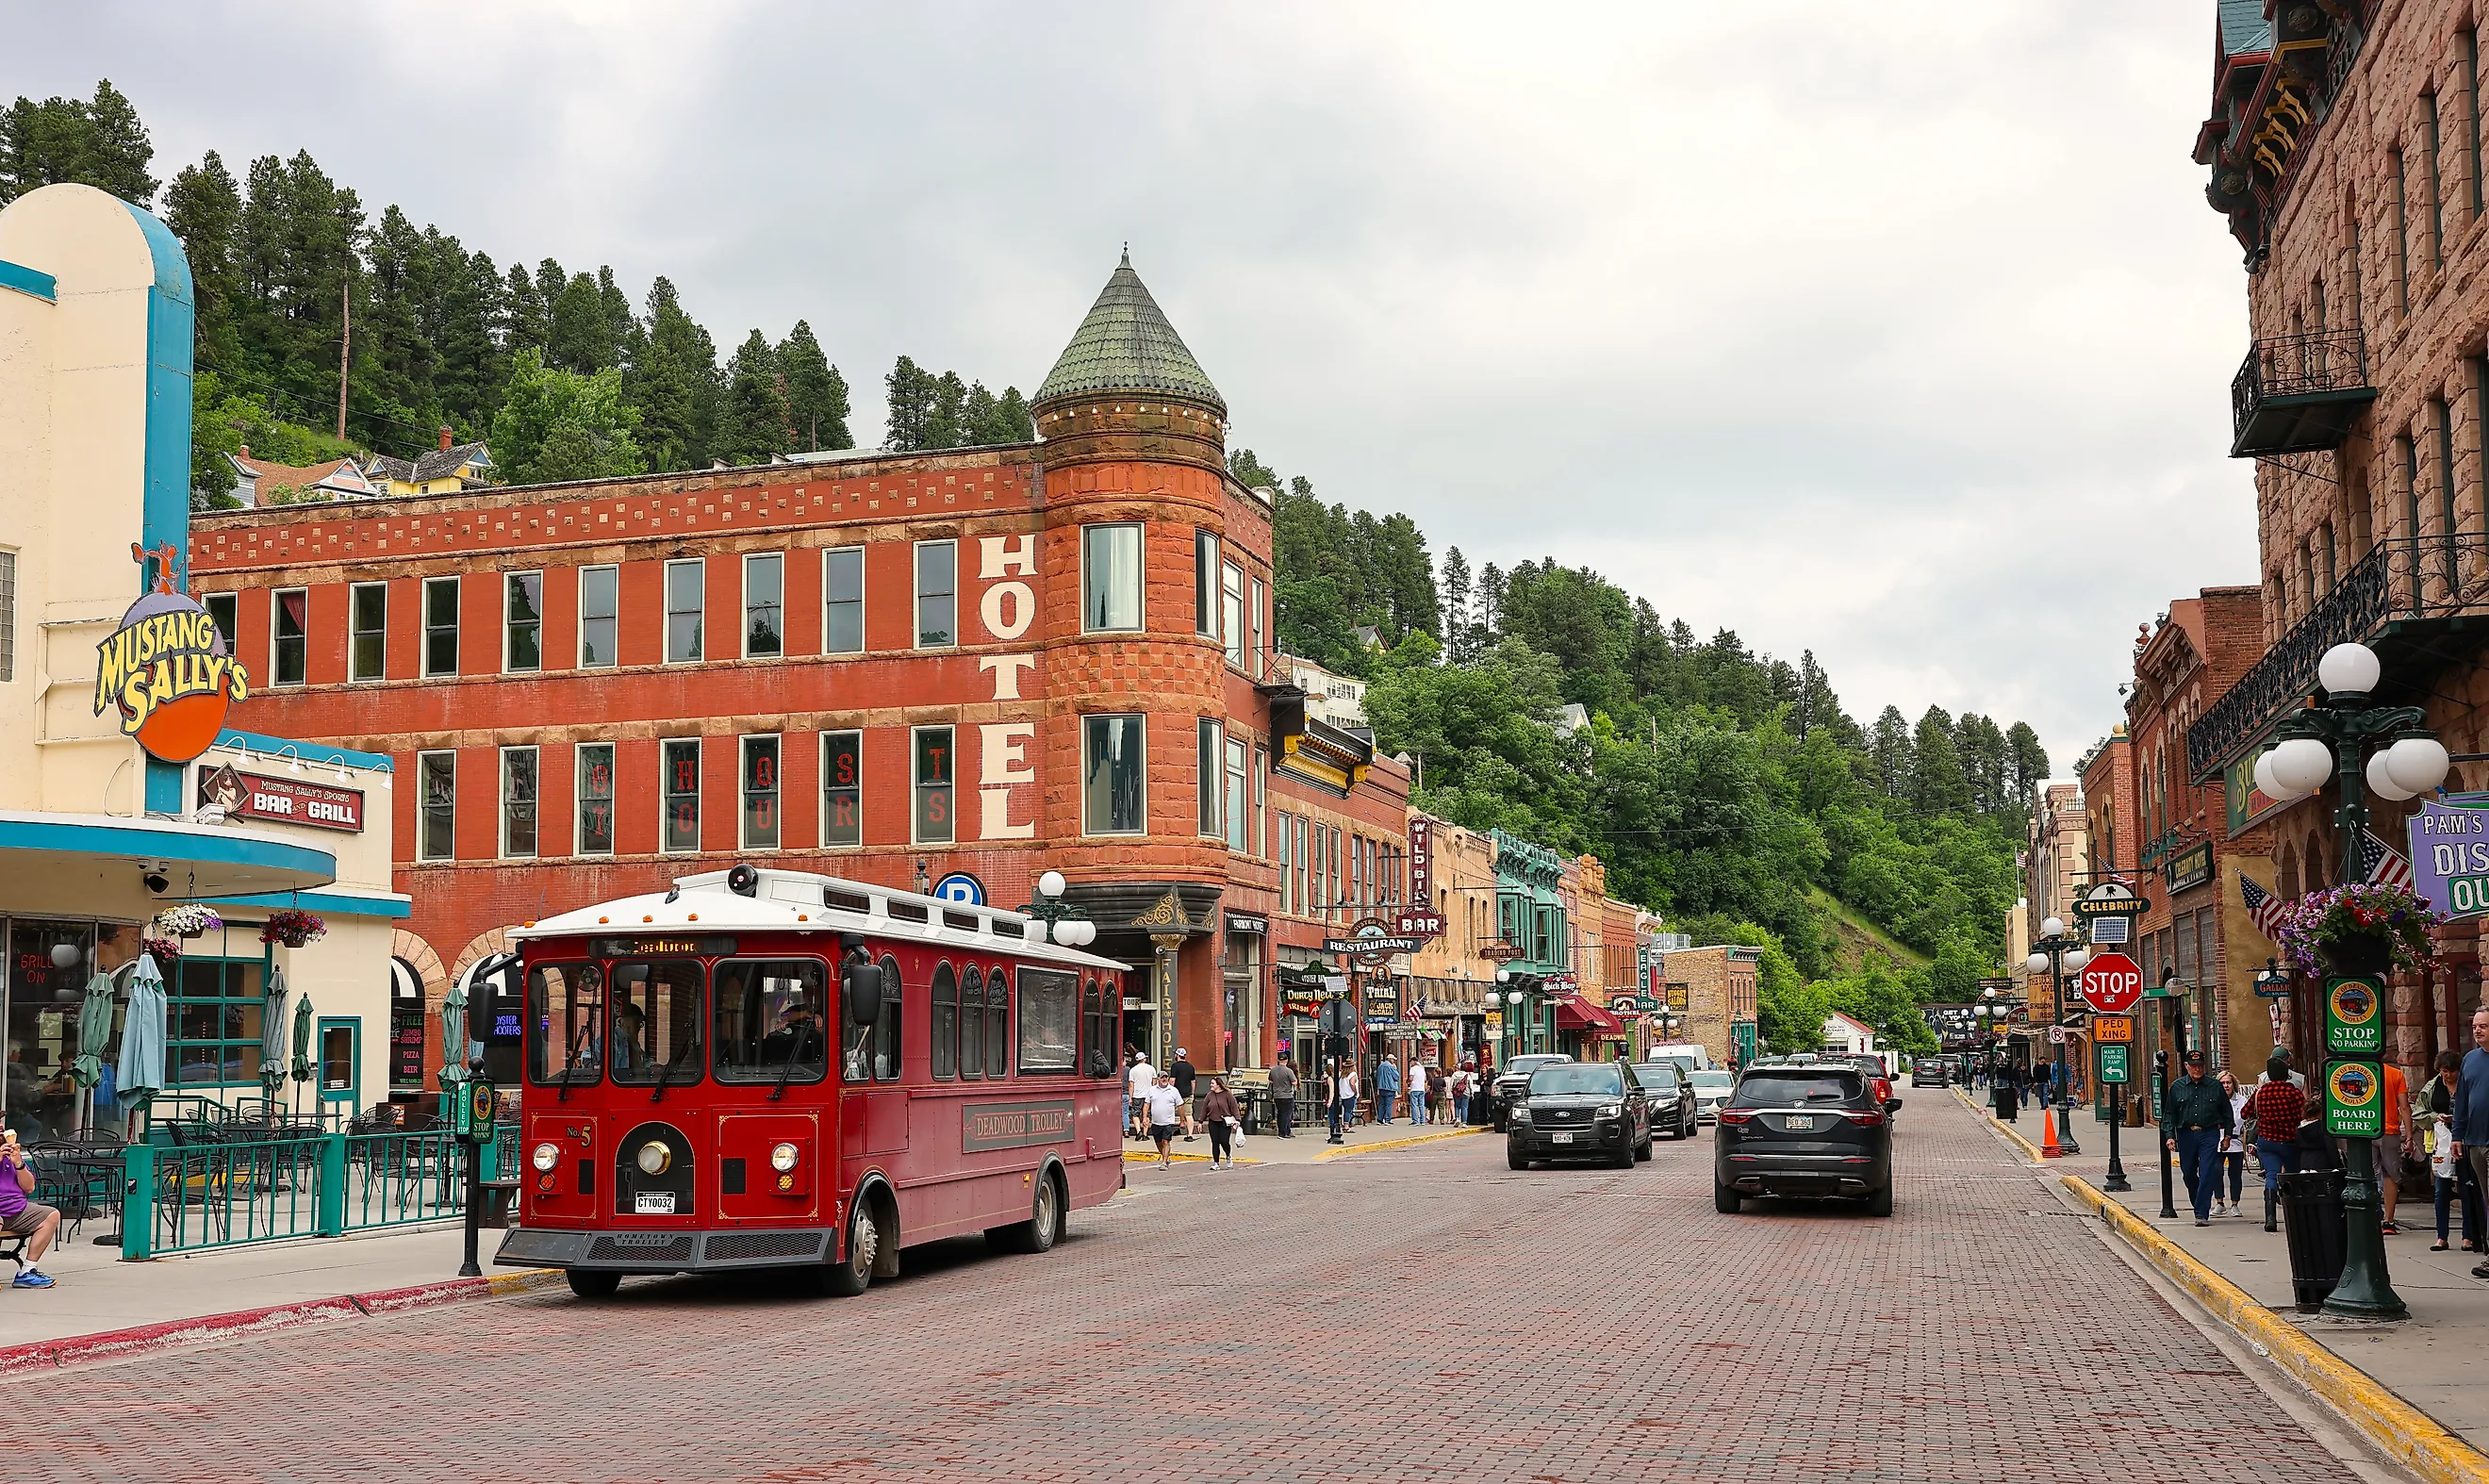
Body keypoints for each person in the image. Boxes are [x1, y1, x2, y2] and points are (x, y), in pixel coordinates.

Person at [2161, 1049, 2234, 1226]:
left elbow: (2227, 1113)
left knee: (2208, 1171)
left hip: (2209, 1133)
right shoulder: (2177, 1087)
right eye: (2193, 1066)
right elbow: (2169, 1114)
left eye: (2200, 1066)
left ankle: (2201, 1213)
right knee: (2188, 1173)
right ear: (2186, 1066)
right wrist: (2170, 1136)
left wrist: (2228, 1136)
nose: (2197, 1069)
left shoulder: (2214, 1086)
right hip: (2186, 1134)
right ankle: (2198, 1202)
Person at [2426, 1051, 2483, 1252]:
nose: (2447, 1076)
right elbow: (2420, 1111)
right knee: (2441, 1190)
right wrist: (2435, 1117)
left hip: (2465, 1140)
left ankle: (2468, 1236)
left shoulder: (2467, 1082)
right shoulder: (2434, 1086)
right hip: (2442, 1143)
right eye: (2444, 1071)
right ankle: (2442, 1236)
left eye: (2451, 1072)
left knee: (2467, 1188)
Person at [2246, 1056, 2307, 1232]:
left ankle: (2270, 1218)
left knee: (2271, 1175)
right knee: (2293, 1176)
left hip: (2267, 1140)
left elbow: (2245, 1112)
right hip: (2290, 1140)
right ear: (2286, 1074)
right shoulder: (2294, 1093)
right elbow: (2303, 1114)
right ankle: (2296, 1217)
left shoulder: (2260, 1093)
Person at [2452, 1006, 2489, 1278]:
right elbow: (2462, 1101)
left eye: (2484, 1026)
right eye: (2475, 1026)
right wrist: (2457, 1134)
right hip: (2475, 1140)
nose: (2478, 1030)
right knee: (2486, 1198)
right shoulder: (2470, 1060)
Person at [0, 1127, 59, 1289]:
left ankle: (27, 1272)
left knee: (51, 1215)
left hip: (16, 1210)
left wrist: (18, 1163)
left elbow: (29, 1188)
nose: (1, 1128)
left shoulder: (10, 1155)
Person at [2375, 1058, 2411, 1234]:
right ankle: (2388, 1220)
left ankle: (2372, 1215)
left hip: (2365, 1130)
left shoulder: (2360, 1072)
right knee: (2390, 1174)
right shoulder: (2395, 1074)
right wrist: (2409, 1136)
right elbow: (2404, 1106)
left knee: (2368, 1174)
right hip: (2389, 1130)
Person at [2215, 1070, 2249, 1219]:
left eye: (2228, 1082)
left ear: (2233, 1084)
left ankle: (2235, 1204)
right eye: (2222, 1083)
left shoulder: (2242, 1101)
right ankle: (2219, 1202)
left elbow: (2247, 1120)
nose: (2226, 1086)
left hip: (2236, 1141)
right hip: (2217, 1141)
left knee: (2235, 1174)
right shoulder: (2214, 1100)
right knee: (2216, 1171)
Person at [1201, 1077, 1242, 1170]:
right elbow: (1204, 1108)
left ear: (1218, 1084)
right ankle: (1216, 1163)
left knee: (1224, 1141)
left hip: (1225, 1122)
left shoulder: (1227, 1094)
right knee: (1215, 1142)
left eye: (1213, 1083)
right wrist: (1201, 1121)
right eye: (1211, 1083)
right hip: (1213, 1121)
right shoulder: (1209, 1095)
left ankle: (1228, 1156)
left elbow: (1234, 1107)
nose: (1211, 1085)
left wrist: (1237, 1119)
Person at [1145, 1073, 1184, 1169]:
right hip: (1156, 1122)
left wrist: (1182, 1120)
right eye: (1162, 1077)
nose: (1164, 1079)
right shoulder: (1152, 1090)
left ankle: (1164, 1162)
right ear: (1158, 1078)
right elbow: (1146, 1104)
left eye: (1166, 1077)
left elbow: (1180, 1105)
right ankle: (1165, 1157)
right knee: (1158, 1143)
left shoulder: (1173, 1091)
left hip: (1168, 1122)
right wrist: (1145, 1117)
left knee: (1166, 1141)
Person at [609, 1003, 651, 1076]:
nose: (639, 1027)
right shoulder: (611, 1039)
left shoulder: (633, 1041)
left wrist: (653, 1065)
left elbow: (643, 1060)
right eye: (637, 1022)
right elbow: (586, 1056)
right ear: (624, 1021)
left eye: (641, 1023)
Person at [1126, 1051, 1155, 1142]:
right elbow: (1154, 1082)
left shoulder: (1133, 1070)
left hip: (1137, 1095)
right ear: (1144, 1059)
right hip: (1148, 1095)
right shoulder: (1151, 1069)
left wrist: (1130, 1097)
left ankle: (1138, 1131)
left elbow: (1131, 1085)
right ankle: (1145, 1134)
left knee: (1135, 1114)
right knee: (1147, 1115)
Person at [1170, 1049, 1198, 1141]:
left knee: (1171, 1113)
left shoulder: (1175, 1066)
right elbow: (1193, 1082)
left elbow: (1172, 1080)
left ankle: (1170, 1132)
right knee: (1188, 1114)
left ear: (1177, 1055)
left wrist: (1169, 1091)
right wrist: (1192, 1093)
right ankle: (1189, 1134)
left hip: (1177, 1094)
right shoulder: (1191, 1067)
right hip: (1188, 1094)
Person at [1268, 1056, 1298, 1138]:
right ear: (1286, 1060)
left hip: (1277, 1095)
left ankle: (1281, 1131)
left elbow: (1270, 1080)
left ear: (1278, 1060)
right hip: (1287, 1095)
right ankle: (1283, 1133)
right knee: (1286, 1114)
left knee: (1280, 1113)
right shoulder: (1288, 1071)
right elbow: (1295, 1082)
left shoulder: (1273, 1070)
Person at [1374, 1055, 1400, 1125]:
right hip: (1390, 1088)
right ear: (1390, 1059)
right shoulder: (1391, 1066)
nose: (1394, 1061)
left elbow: (1377, 1076)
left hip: (1381, 1088)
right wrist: (1395, 1069)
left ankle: (1380, 1119)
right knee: (1389, 1104)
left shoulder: (1380, 1066)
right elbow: (1396, 1077)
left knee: (1381, 1104)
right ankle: (1387, 1119)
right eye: (1393, 1059)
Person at [1405, 1056, 1427, 1125]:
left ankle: (1415, 1121)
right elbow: (1425, 1079)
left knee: (1414, 1105)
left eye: (1411, 1061)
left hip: (1414, 1088)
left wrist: (1408, 1081)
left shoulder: (1413, 1069)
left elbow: (1411, 1078)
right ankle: (1422, 1121)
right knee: (1421, 1105)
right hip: (1421, 1088)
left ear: (1414, 1061)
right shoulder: (1422, 1068)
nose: (1410, 1063)